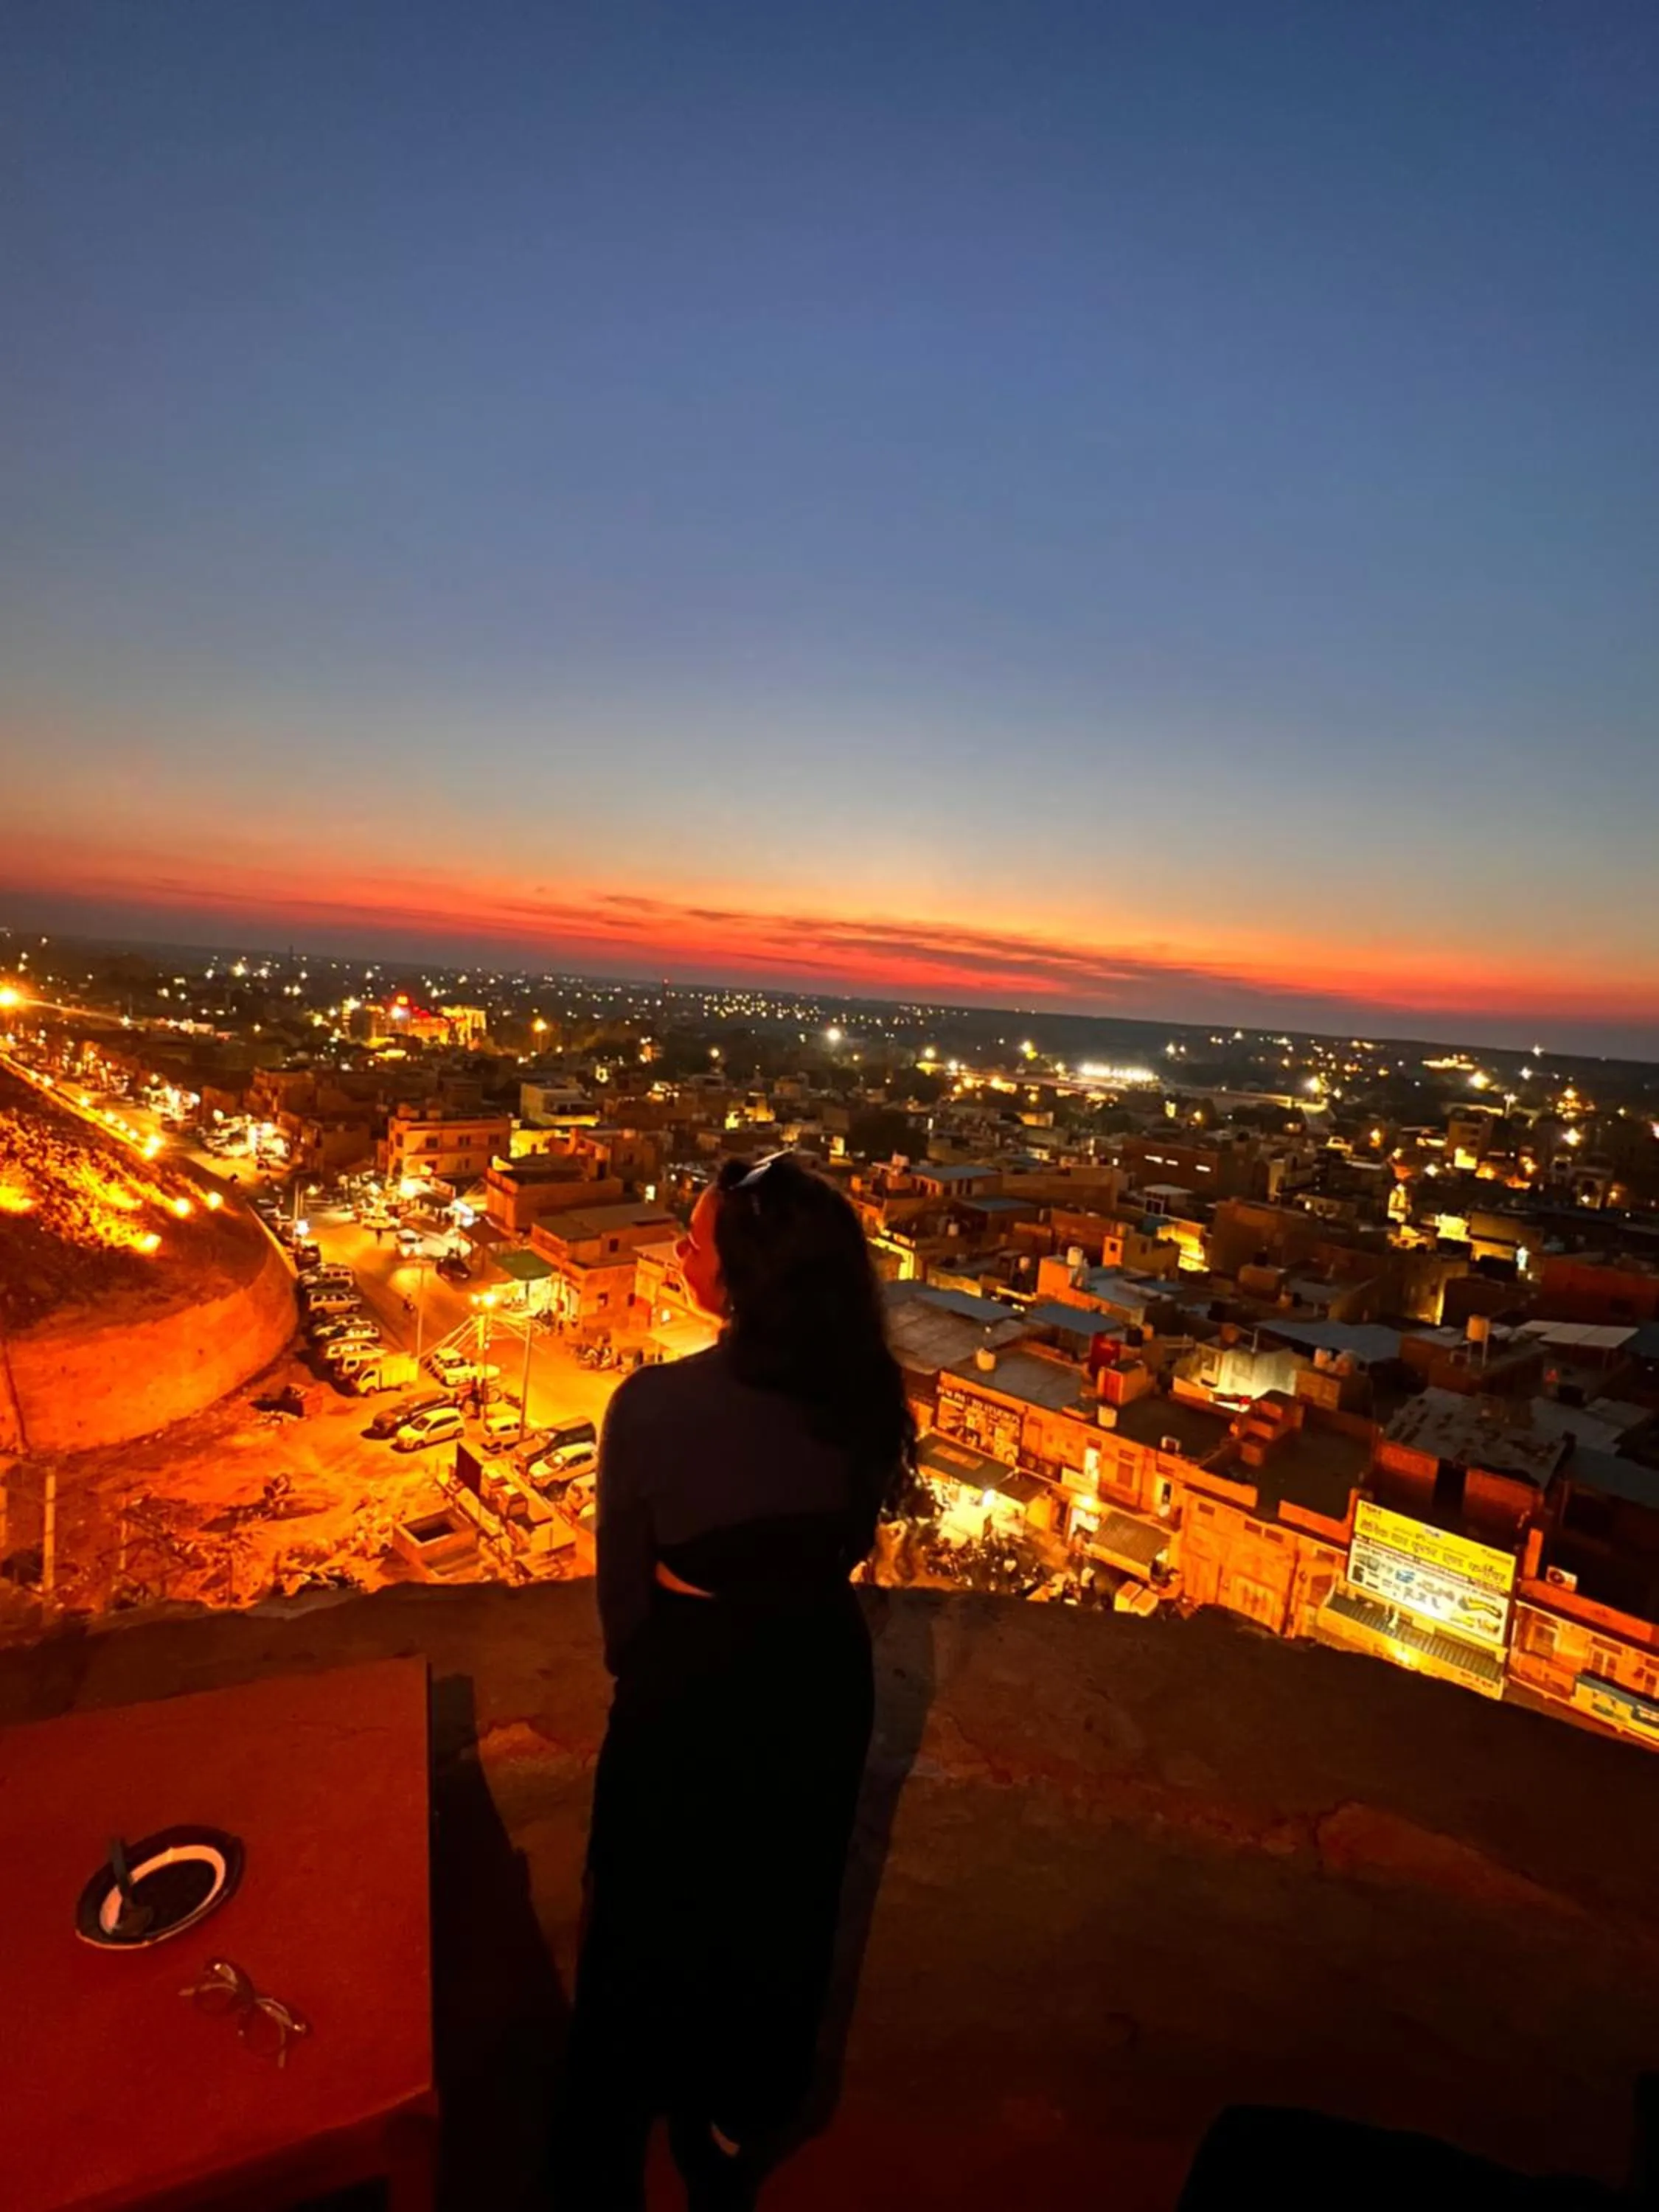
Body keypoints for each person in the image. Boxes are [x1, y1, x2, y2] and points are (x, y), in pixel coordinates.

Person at [560, 1152, 914, 2209]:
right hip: (818, 1677)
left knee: (644, 1912)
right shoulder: (863, 1398)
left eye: (697, 1240)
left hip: (693, 1683)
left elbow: (623, 1603)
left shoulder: (654, 1406)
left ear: (747, 1275)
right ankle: (727, 2130)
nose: (679, 1253)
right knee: (783, 1907)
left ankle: (613, 2133)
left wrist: (654, 1677)